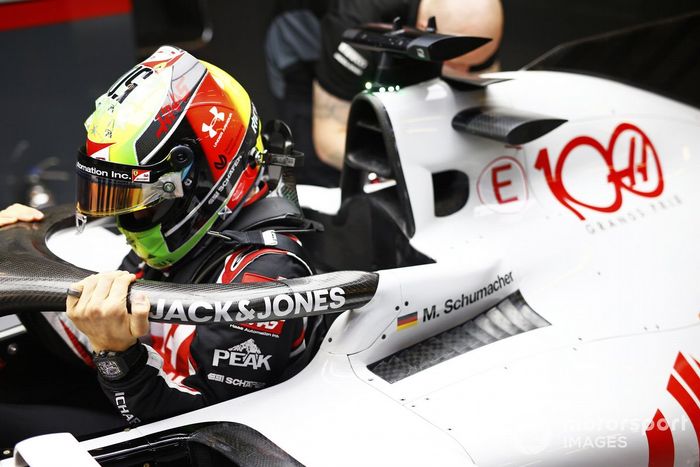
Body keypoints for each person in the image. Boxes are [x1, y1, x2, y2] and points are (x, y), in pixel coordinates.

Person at [0, 45, 319, 441]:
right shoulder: (189, 241)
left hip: (189, 434)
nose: (124, 220)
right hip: (137, 402)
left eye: (136, 200)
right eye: (114, 198)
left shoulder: (264, 274)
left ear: (198, 178)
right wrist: (15, 255)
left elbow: (207, 435)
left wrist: (117, 354)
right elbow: (96, 334)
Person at [266, 0, 503, 186]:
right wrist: (415, 168)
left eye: (477, 63)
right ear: (423, 27)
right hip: (304, 27)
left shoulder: (475, 18)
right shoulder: (352, 21)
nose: (463, 73)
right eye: (454, 64)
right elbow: (329, 141)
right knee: (316, 160)